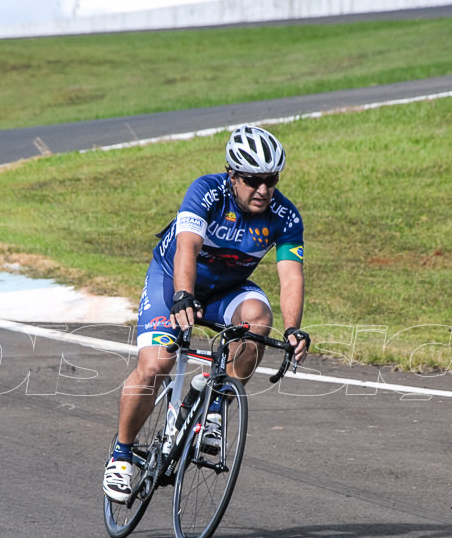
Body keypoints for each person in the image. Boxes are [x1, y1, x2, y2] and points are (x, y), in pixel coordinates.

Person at [104, 124, 310, 503]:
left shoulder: (285, 216)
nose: (264, 190)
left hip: (225, 290)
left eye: (272, 180)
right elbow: (188, 247)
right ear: (232, 175)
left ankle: (212, 408)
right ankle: (121, 455)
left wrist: (294, 328)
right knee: (156, 366)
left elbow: (290, 277)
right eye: (253, 180)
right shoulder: (207, 192)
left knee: (259, 319)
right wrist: (182, 296)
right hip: (172, 281)